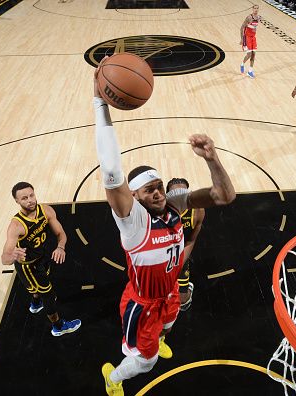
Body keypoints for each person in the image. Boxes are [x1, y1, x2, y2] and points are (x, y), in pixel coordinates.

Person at [93, 64, 236, 395]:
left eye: (159, 185)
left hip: (170, 292)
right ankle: (113, 380)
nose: (157, 192)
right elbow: (112, 171)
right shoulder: (133, 221)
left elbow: (225, 196)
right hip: (141, 304)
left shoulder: (175, 203)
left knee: (170, 324)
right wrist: (99, 104)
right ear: (134, 196)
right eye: (148, 190)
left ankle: (159, 336)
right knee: (146, 362)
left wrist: (212, 158)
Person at [1, 182, 81, 336]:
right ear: (17, 201)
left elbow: (61, 234)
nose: (30, 200)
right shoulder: (16, 226)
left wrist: (60, 247)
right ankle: (58, 327)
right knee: (48, 295)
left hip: (42, 256)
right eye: (24, 198)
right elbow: (4, 258)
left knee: (38, 289)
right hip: (29, 267)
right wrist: (12, 256)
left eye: (31, 195)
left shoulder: (45, 210)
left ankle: (36, 303)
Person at [166, 178, 205, 311]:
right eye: (174, 195)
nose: (178, 198)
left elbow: (191, 240)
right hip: (158, 253)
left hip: (180, 254)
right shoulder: (156, 210)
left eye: (182, 194)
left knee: (183, 302)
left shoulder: (197, 211)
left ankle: (186, 292)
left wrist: (179, 263)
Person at [240, 4, 260, 78]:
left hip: (253, 38)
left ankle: (250, 71)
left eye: (257, 8)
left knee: (254, 54)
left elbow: (254, 27)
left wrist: (252, 28)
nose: (256, 10)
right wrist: (242, 39)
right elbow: (241, 28)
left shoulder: (258, 18)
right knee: (249, 54)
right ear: (252, 9)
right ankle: (242, 64)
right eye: (255, 8)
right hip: (247, 37)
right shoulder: (249, 17)